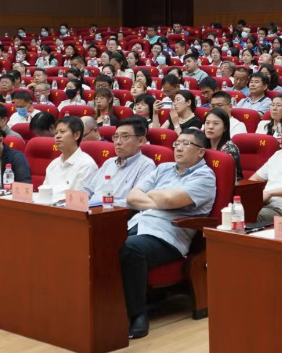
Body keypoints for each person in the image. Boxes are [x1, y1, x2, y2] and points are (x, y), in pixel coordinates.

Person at [120, 129, 217, 339]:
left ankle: (138, 315)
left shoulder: (205, 177)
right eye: (177, 143)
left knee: (131, 248)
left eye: (186, 144)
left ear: (201, 152)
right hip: (138, 224)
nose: (179, 148)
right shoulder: (163, 168)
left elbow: (171, 200)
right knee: (97, 239)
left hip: (168, 236)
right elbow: (132, 197)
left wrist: (154, 196)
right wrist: (160, 200)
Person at [85, 117, 158, 207]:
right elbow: (88, 189)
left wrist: (103, 204)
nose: (118, 142)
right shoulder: (109, 162)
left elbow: (135, 201)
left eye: (125, 137)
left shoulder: (146, 166)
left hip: (113, 212)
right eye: (116, 137)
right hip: (90, 210)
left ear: (140, 141)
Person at [42, 115, 98, 194]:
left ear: (76, 135)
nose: (57, 136)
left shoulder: (87, 165)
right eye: (56, 133)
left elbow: (79, 198)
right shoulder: (53, 165)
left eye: (62, 132)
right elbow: (44, 193)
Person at [201, 107, 241, 180]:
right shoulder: (200, 144)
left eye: (216, 123)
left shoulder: (230, 149)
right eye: (207, 123)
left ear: (225, 127)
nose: (210, 127)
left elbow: (224, 177)